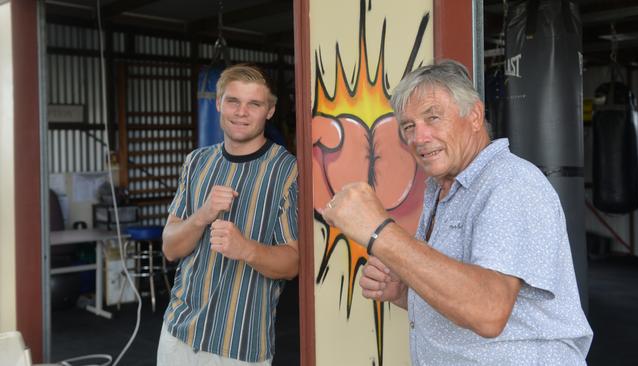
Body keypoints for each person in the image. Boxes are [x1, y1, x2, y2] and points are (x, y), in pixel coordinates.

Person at [320, 60, 593, 365]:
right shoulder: (442, 189)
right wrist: (405, 292)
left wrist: (379, 231)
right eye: (409, 126)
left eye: (433, 117)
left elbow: (487, 311)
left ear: (474, 116)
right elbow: (461, 295)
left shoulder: (509, 184)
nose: (418, 137)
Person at [157, 64, 299, 366]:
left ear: (270, 111)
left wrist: (245, 248)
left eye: (254, 104)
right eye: (233, 101)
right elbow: (170, 248)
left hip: (240, 345)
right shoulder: (196, 162)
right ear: (218, 103)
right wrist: (202, 215)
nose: (241, 112)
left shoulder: (287, 170)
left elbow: (293, 263)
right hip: (177, 335)